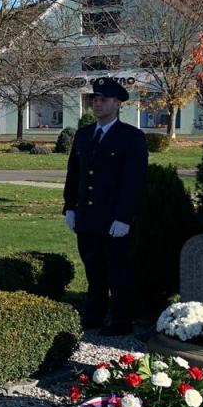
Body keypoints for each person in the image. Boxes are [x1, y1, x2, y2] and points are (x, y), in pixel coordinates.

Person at [63, 76, 148, 337]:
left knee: (118, 272)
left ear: (118, 103)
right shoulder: (84, 135)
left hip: (114, 219)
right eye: (94, 99)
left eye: (104, 99)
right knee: (94, 271)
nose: (97, 103)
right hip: (88, 217)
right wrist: (70, 207)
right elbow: (74, 174)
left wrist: (124, 217)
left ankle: (121, 321)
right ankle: (94, 316)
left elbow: (134, 181)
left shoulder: (131, 137)